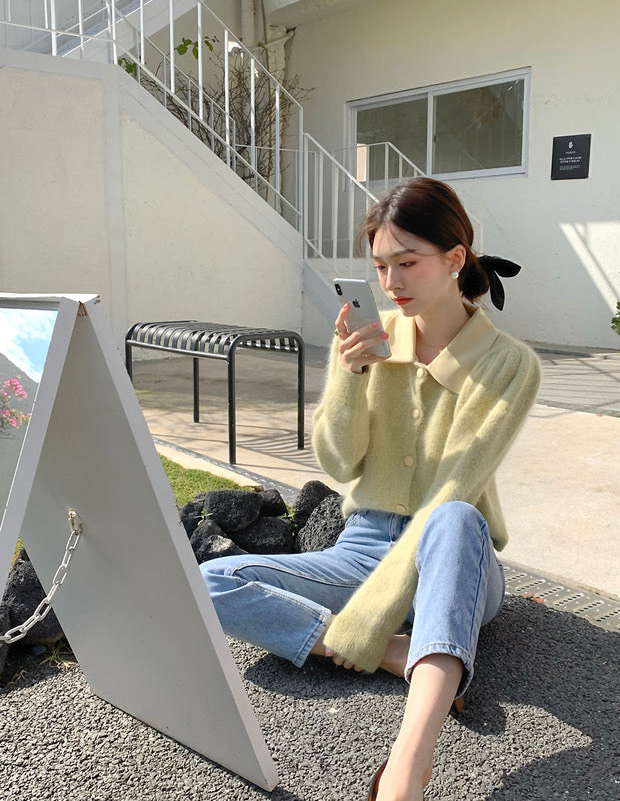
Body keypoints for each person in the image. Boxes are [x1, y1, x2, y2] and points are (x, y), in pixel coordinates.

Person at [201, 177, 541, 800]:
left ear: (455, 258)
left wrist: (358, 619)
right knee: (210, 580)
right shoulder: (369, 338)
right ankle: (398, 654)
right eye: (381, 266)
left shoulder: (508, 363)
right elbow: (338, 459)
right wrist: (354, 372)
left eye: (407, 263)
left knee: (455, 518)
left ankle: (408, 766)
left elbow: (456, 486)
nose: (391, 283)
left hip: (452, 559)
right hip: (361, 548)